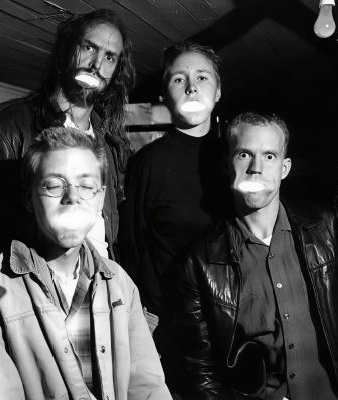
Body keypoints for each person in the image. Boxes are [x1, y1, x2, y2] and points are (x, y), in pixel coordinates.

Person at [0, 127, 171, 400]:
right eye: (54, 185)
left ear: (100, 198)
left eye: (87, 186)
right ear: (28, 199)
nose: (72, 197)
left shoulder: (120, 283)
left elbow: (147, 386)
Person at [175, 111, 338, 400]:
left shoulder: (333, 229)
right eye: (244, 154)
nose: (255, 168)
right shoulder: (199, 262)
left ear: (285, 168)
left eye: (269, 156)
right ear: (226, 164)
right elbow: (199, 371)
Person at [0, 9, 135, 278]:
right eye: (88, 47)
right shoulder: (5, 127)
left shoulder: (109, 141)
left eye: (110, 57)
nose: (97, 64)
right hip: (31, 290)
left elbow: (109, 233)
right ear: (66, 50)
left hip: (99, 288)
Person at [118, 41, 226, 392]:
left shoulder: (238, 158)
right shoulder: (148, 163)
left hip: (231, 321)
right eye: (179, 79)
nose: (191, 86)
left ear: (218, 91)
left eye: (202, 77)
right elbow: (131, 246)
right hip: (168, 327)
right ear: (165, 95)